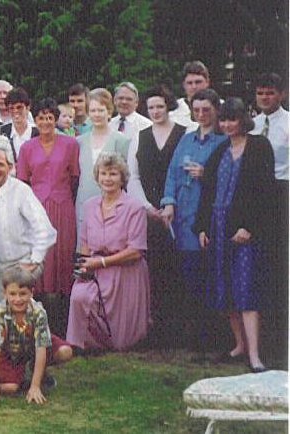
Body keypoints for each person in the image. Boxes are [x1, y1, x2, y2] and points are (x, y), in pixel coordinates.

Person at [194, 98, 275, 373]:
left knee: (246, 290)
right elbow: (207, 191)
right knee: (225, 290)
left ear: (243, 119)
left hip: (244, 230)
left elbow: (265, 191)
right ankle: (239, 345)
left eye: (233, 119)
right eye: (224, 120)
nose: (228, 125)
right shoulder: (220, 150)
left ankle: (255, 355)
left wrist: (250, 226)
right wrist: (202, 227)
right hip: (218, 228)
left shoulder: (259, 147)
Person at [160, 89, 225, 350]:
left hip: (209, 216)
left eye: (206, 110)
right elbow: (173, 174)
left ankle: (214, 337)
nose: (201, 115)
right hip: (184, 216)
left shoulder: (223, 141)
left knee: (210, 274)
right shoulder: (187, 140)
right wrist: (168, 202)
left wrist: (206, 174)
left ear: (216, 109)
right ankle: (193, 337)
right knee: (188, 275)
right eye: (196, 110)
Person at [67, 153, 150, 351]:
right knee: (79, 295)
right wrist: (84, 268)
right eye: (103, 173)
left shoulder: (135, 207)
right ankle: (84, 345)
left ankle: (111, 343)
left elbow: (136, 250)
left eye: (113, 174)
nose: (107, 178)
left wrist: (103, 263)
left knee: (121, 341)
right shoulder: (89, 206)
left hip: (125, 271)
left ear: (122, 178)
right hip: (95, 267)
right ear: (97, 177)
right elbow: (85, 243)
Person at [15, 98, 80, 333]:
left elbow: (74, 177)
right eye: (41, 117)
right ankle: (38, 316)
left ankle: (63, 320)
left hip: (63, 207)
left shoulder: (71, 144)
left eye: (50, 117)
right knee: (41, 257)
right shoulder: (27, 148)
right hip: (36, 208)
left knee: (63, 256)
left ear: (55, 119)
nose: (45, 122)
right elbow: (22, 180)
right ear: (36, 119)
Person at [0, 147, 56, 305]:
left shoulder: (21, 191)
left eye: (0, 164)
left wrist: (34, 261)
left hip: (22, 261)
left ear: (10, 167)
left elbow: (45, 229)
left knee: (10, 307)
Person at [134, 86, 186, 347]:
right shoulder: (140, 136)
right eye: (151, 107)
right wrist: (145, 206)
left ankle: (177, 329)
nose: (155, 111)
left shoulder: (183, 134)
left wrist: (170, 205)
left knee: (175, 268)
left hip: (177, 210)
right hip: (148, 212)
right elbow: (132, 175)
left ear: (168, 106)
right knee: (151, 269)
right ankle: (153, 329)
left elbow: (183, 173)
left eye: (160, 106)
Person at [0, 265, 73, 405]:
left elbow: (41, 348)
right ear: (5, 293)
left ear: (31, 293)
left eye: (22, 294)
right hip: (10, 351)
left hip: (33, 346)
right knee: (10, 388)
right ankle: (15, 375)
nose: (18, 299)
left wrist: (35, 387)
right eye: (13, 294)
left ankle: (37, 373)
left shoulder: (38, 312)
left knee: (65, 352)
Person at [251, 72, 289, 360]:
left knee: (279, 266)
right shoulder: (250, 125)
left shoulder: (287, 125)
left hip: (281, 194)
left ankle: (279, 340)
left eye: (270, 93)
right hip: (256, 194)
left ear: (281, 94)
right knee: (258, 265)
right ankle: (260, 340)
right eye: (261, 93)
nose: (265, 97)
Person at [75, 88, 130, 246]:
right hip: (84, 202)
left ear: (109, 111)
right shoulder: (79, 142)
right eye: (92, 110)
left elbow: (126, 177)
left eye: (101, 110)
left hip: (112, 204)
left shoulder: (121, 141)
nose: (96, 114)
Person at [169, 61, 213, 132]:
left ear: (207, 82)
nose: (194, 86)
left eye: (198, 82)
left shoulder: (221, 107)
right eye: (190, 83)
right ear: (184, 85)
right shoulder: (173, 111)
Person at [0, 87, 39, 161]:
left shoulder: (38, 132)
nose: (15, 111)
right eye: (11, 108)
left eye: (19, 107)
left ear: (28, 108)